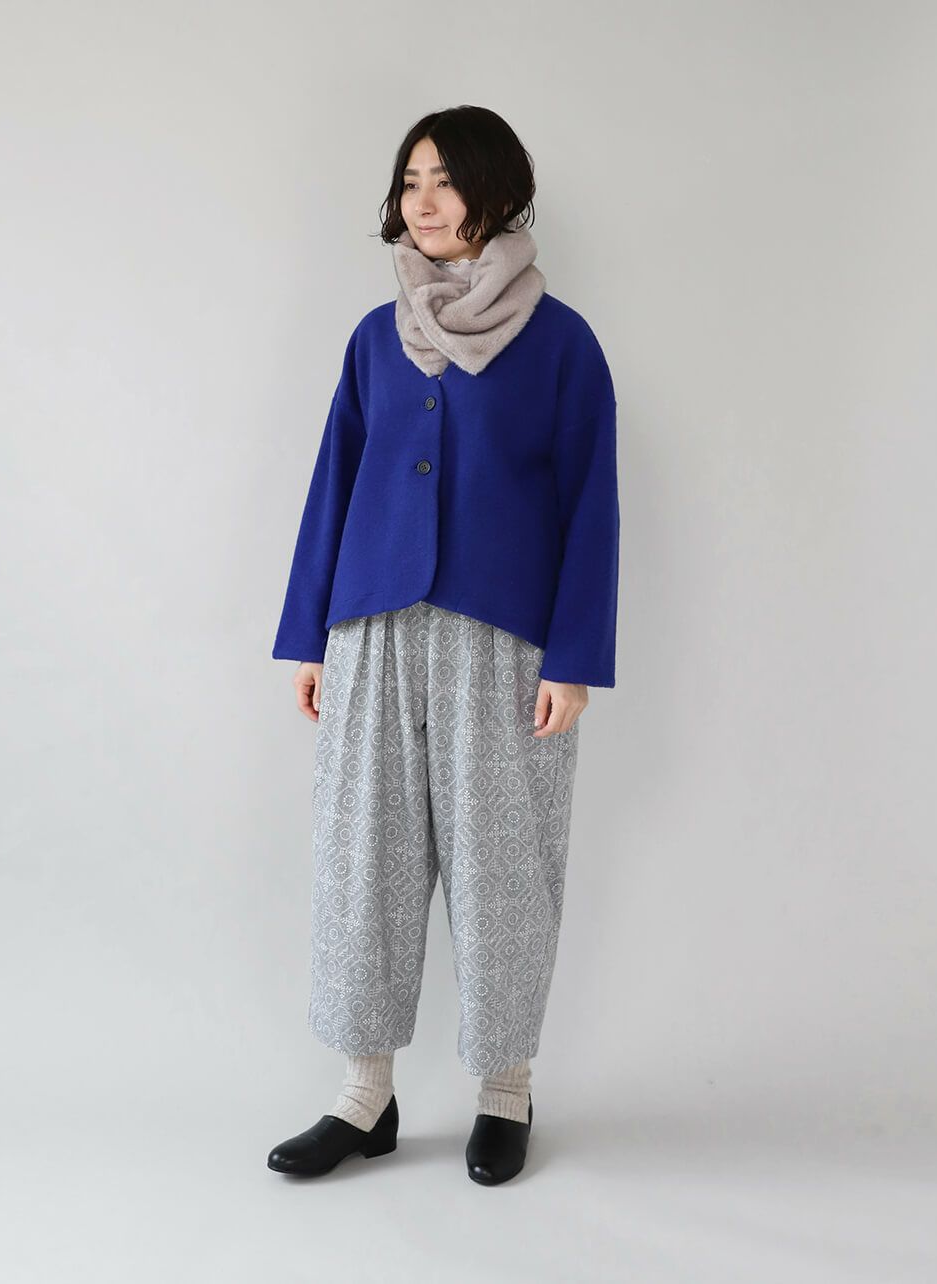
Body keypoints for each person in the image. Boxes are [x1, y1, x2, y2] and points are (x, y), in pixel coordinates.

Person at [266, 105, 619, 1184]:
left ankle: (504, 1090)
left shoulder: (560, 343)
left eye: (445, 179)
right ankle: (363, 1097)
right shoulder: (375, 339)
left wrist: (573, 659)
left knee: (502, 867)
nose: (422, 200)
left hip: (502, 642)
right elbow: (335, 483)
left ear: (495, 192)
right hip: (370, 630)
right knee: (361, 861)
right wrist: (310, 634)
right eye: (410, 180)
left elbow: (591, 506)